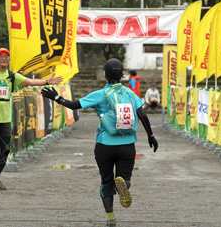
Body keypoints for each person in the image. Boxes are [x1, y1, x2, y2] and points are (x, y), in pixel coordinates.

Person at [41, 58, 158, 227]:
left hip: (104, 145)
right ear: (122, 75)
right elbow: (143, 115)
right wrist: (151, 136)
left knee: (106, 181)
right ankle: (124, 184)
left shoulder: (100, 95)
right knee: (124, 176)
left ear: (104, 74)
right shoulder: (130, 93)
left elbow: (74, 105)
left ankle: (110, 217)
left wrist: (56, 97)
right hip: (127, 145)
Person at [0, 48, 63, 191]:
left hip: (5, 120)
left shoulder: (12, 76)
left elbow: (30, 82)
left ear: (9, 60)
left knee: (6, 150)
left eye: (6, 57)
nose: (3, 59)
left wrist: (47, 81)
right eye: (0, 56)